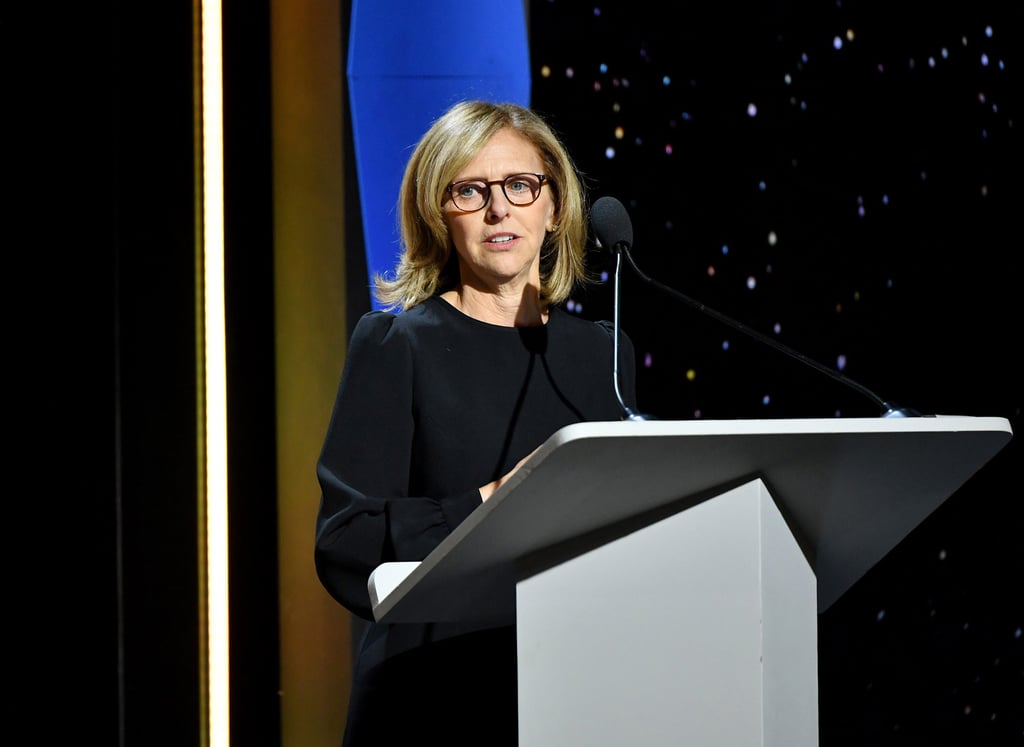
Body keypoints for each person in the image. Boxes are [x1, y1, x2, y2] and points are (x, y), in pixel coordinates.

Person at [314, 99, 638, 746]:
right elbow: (346, 541)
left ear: (553, 207)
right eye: (471, 190)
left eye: (521, 185)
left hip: (576, 694)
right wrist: (492, 505)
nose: (500, 210)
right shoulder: (396, 346)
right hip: (430, 699)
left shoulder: (603, 354)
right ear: (440, 214)